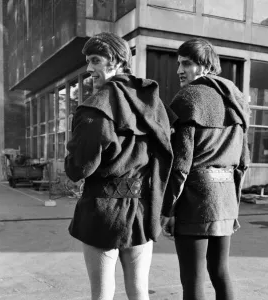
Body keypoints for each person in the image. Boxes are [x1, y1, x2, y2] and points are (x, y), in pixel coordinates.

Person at [65, 32, 176, 300]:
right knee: (139, 290)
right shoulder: (152, 103)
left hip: (102, 210)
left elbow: (80, 167)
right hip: (141, 209)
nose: (90, 69)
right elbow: (169, 152)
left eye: (96, 60)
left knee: (102, 293)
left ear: (115, 60)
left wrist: (71, 160)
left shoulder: (96, 107)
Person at [161, 38, 250, 300]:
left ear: (205, 66)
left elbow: (181, 164)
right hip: (225, 199)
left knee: (193, 279)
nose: (179, 70)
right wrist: (234, 204)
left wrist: (168, 209)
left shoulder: (190, 98)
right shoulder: (237, 100)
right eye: (179, 63)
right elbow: (243, 161)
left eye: (186, 64)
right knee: (220, 272)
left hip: (195, 201)